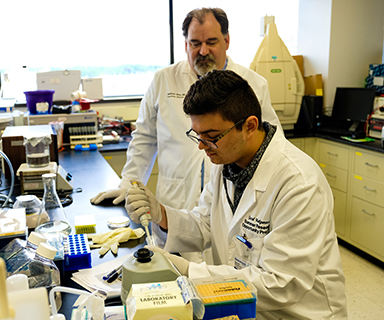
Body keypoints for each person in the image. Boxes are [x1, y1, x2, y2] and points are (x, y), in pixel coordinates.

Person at [125, 70, 347, 319]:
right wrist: (161, 214)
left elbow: (281, 283)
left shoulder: (299, 185)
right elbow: (205, 223)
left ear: (249, 126)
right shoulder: (226, 163)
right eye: (196, 135)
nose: (201, 146)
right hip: (243, 305)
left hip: (296, 313)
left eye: (210, 136)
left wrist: (188, 271)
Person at [90, 7, 281, 249]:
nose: (203, 51)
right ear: (185, 45)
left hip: (230, 199)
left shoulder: (252, 84)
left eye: (211, 42)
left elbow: (271, 147)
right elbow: (145, 139)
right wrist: (129, 183)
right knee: (173, 266)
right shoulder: (164, 79)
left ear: (227, 40)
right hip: (175, 199)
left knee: (225, 264)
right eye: (195, 43)